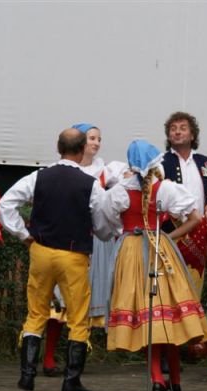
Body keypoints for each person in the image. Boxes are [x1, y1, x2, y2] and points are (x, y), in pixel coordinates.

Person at [0, 128, 111, 391]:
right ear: (82, 149)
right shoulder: (90, 183)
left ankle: (27, 376)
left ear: (58, 147)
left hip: (41, 250)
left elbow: (6, 204)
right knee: (78, 318)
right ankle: (71, 381)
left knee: (36, 313)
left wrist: (25, 236)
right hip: (73, 255)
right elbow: (103, 223)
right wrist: (100, 234)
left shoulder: (38, 176)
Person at [102, 139, 207, 391]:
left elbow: (105, 224)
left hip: (131, 251)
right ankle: (173, 380)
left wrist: (127, 232)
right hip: (160, 250)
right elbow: (196, 218)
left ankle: (157, 379)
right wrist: (169, 238)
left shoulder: (119, 192)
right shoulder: (165, 188)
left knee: (147, 317)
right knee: (166, 317)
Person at [41, 123, 126, 377]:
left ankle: (76, 360)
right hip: (71, 238)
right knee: (62, 298)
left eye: (99, 138)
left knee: (86, 299)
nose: (96, 143)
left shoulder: (106, 169)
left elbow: (127, 183)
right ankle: (48, 358)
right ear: (79, 143)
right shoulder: (61, 171)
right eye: (91, 138)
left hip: (97, 242)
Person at [161, 111, 207, 298]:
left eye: (183, 128)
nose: (177, 132)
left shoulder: (206, 162)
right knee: (170, 279)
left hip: (199, 231)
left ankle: (192, 318)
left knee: (195, 278)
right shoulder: (161, 162)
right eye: (173, 129)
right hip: (172, 229)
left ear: (193, 135)